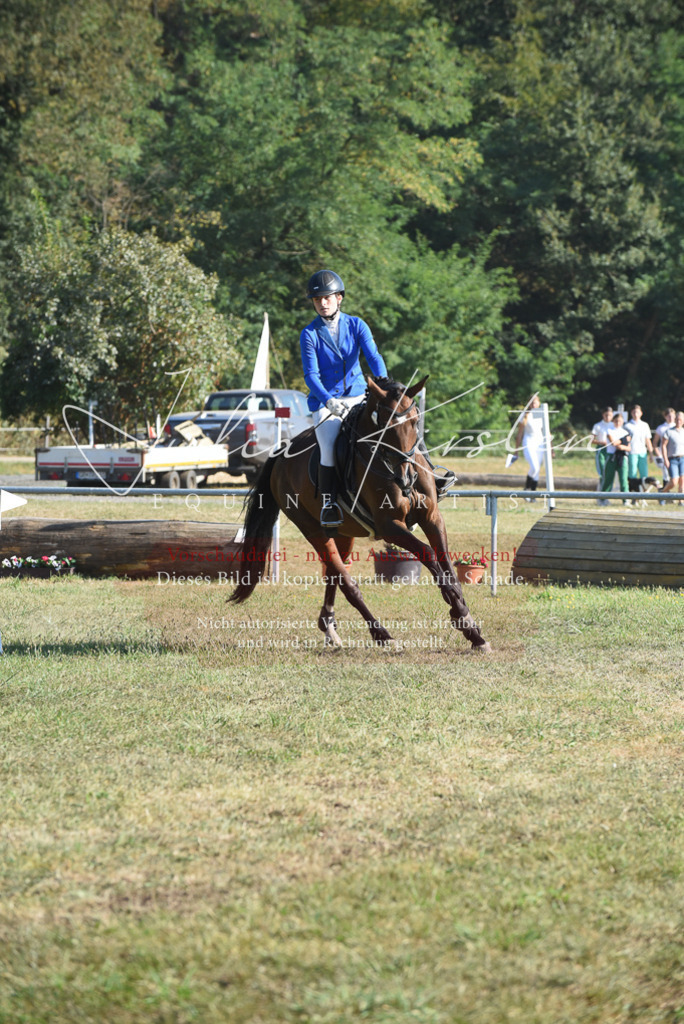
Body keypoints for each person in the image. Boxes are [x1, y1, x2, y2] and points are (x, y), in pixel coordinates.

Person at [299, 269, 387, 528]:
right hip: (328, 401)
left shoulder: (357, 324)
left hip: (360, 395)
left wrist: (382, 386)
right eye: (318, 300)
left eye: (327, 297)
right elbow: (311, 375)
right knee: (328, 448)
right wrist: (327, 400)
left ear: (339, 298)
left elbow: (373, 357)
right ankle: (328, 503)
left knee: (393, 430)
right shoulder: (309, 333)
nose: (323, 303)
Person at [515, 394, 545, 495]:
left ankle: (533, 494)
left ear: (539, 403)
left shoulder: (542, 413)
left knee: (537, 470)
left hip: (540, 443)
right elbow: (519, 433)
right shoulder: (524, 414)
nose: (533, 404)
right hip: (529, 442)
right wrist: (516, 450)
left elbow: (546, 431)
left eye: (535, 402)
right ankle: (526, 489)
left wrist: (551, 448)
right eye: (531, 402)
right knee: (534, 467)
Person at [624, 404, 653, 498]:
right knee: (632, 474)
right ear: (631, 413)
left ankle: (644, 495)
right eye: (633, 412)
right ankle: (632, 494)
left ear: (641, 413)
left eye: (637, 412)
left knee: (644, 474)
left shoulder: (645, 425)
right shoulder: (627, 425)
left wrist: (651, 453)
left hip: (642, 452)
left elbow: (647, 440)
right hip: (632, 452)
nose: (635, 414)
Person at [601, 412, 631, 499]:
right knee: (608, 478)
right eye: (616, 421)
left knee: (623, 479)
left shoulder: (625, 432)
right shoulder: (610, 430)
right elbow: (613, 443)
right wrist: (623, 439)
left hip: (622, 456)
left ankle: (626, 499)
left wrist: (622, 447)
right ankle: (603, 498)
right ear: (613, 421)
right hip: (611, 456)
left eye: (620, 421)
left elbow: (629, 448)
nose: (618, 423)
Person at [591, 406, 614, 498]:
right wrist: (602, 442)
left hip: (611, 450)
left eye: (609, 415)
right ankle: (601, 493)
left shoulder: (614, 425)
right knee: (602, 472)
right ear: (603, 415)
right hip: (602, 449)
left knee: (609, 472)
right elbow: (591, 440)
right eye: (606, 415)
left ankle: (607, 493)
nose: (608, 417)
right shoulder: (598, 426)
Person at [661, 410, 684, 499]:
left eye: (680, 420)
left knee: (682, 480)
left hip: (682, 458)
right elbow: (663, 445)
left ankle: (680, 500)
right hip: (672, 458)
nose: (679, 422)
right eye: (677, 419)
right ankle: (662, 493)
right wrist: (665, 459)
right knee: (674, 481)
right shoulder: (669, 431)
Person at [653, 407, 676, 497]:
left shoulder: (677, 426)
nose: (670, 418)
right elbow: (655, 443)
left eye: (672, 416)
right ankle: (665, 495)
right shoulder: (661, 428)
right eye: (668, 416)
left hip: (675, 455)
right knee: (666, 474)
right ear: (665, 417)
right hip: (664, 455)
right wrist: (658, 454)